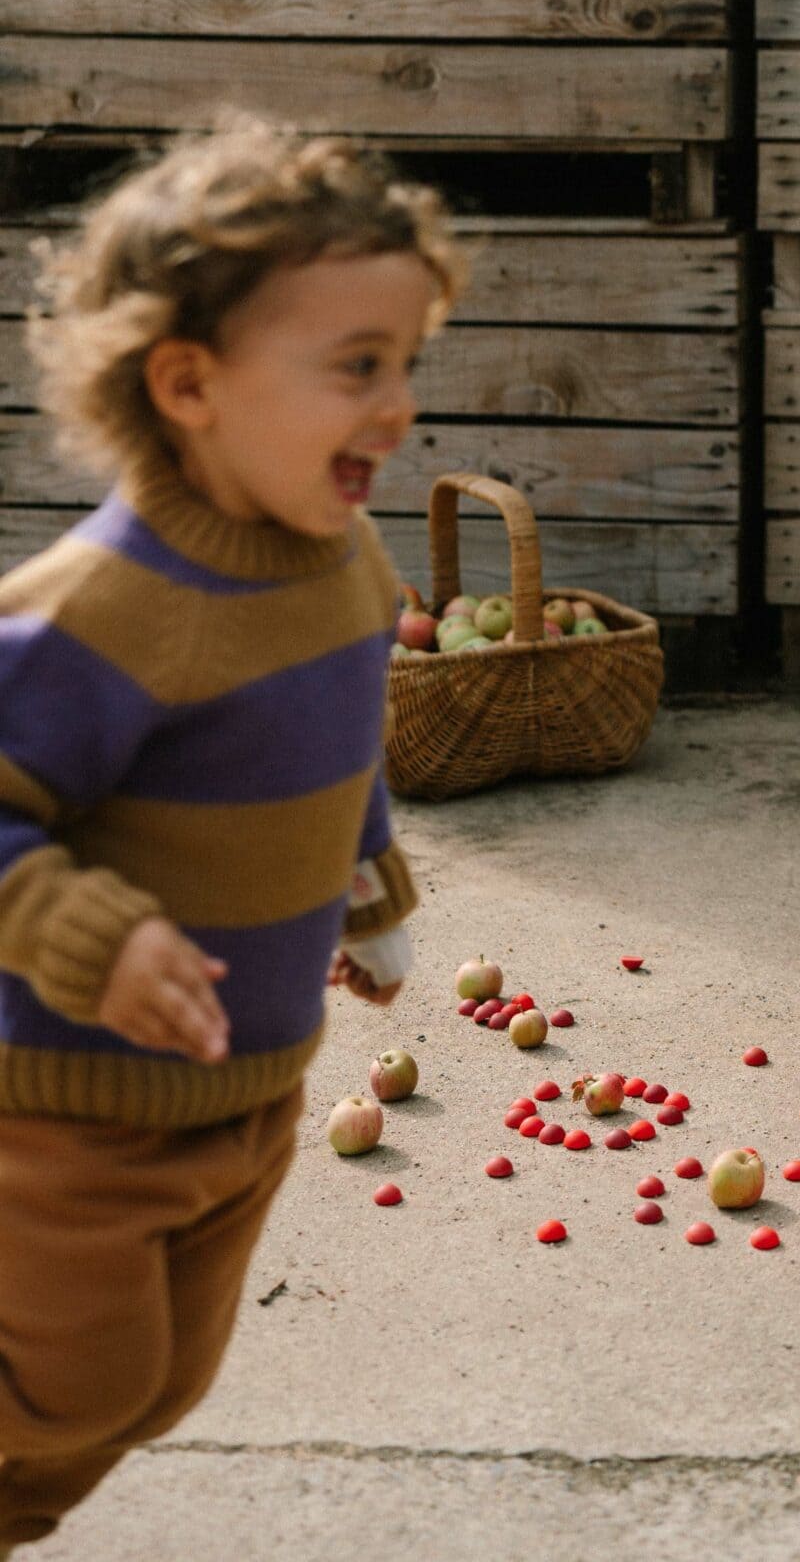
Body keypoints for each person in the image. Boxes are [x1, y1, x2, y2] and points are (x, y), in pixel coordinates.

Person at [0, 121, 464, 1549]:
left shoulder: (345, 559)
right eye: (352, 366)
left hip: (246, 1095)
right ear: (189, 382)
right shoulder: (104, 608)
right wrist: (86, 927)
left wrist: (370, 888)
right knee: (88, 1381)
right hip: (62, 1115)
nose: (392, 407)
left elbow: (335, 744)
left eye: (402, 362)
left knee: (158, 1393)